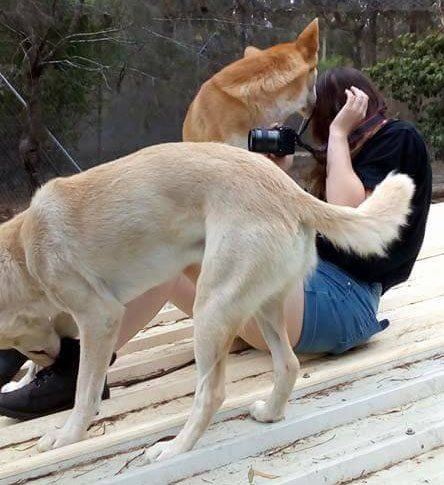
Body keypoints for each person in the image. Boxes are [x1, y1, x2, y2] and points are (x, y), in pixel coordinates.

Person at [0, 67, 432, 418]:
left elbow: (348, 212)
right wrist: (275, 173)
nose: (318, 134)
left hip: (346, 302)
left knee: (177, 255)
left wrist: (338, 136)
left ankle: (70, 368)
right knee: (169, 252)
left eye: (320, 122)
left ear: (352, 108)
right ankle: (63, 356)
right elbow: (292, 232)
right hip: (308, 293)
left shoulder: (398, 137)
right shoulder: (342, 157)